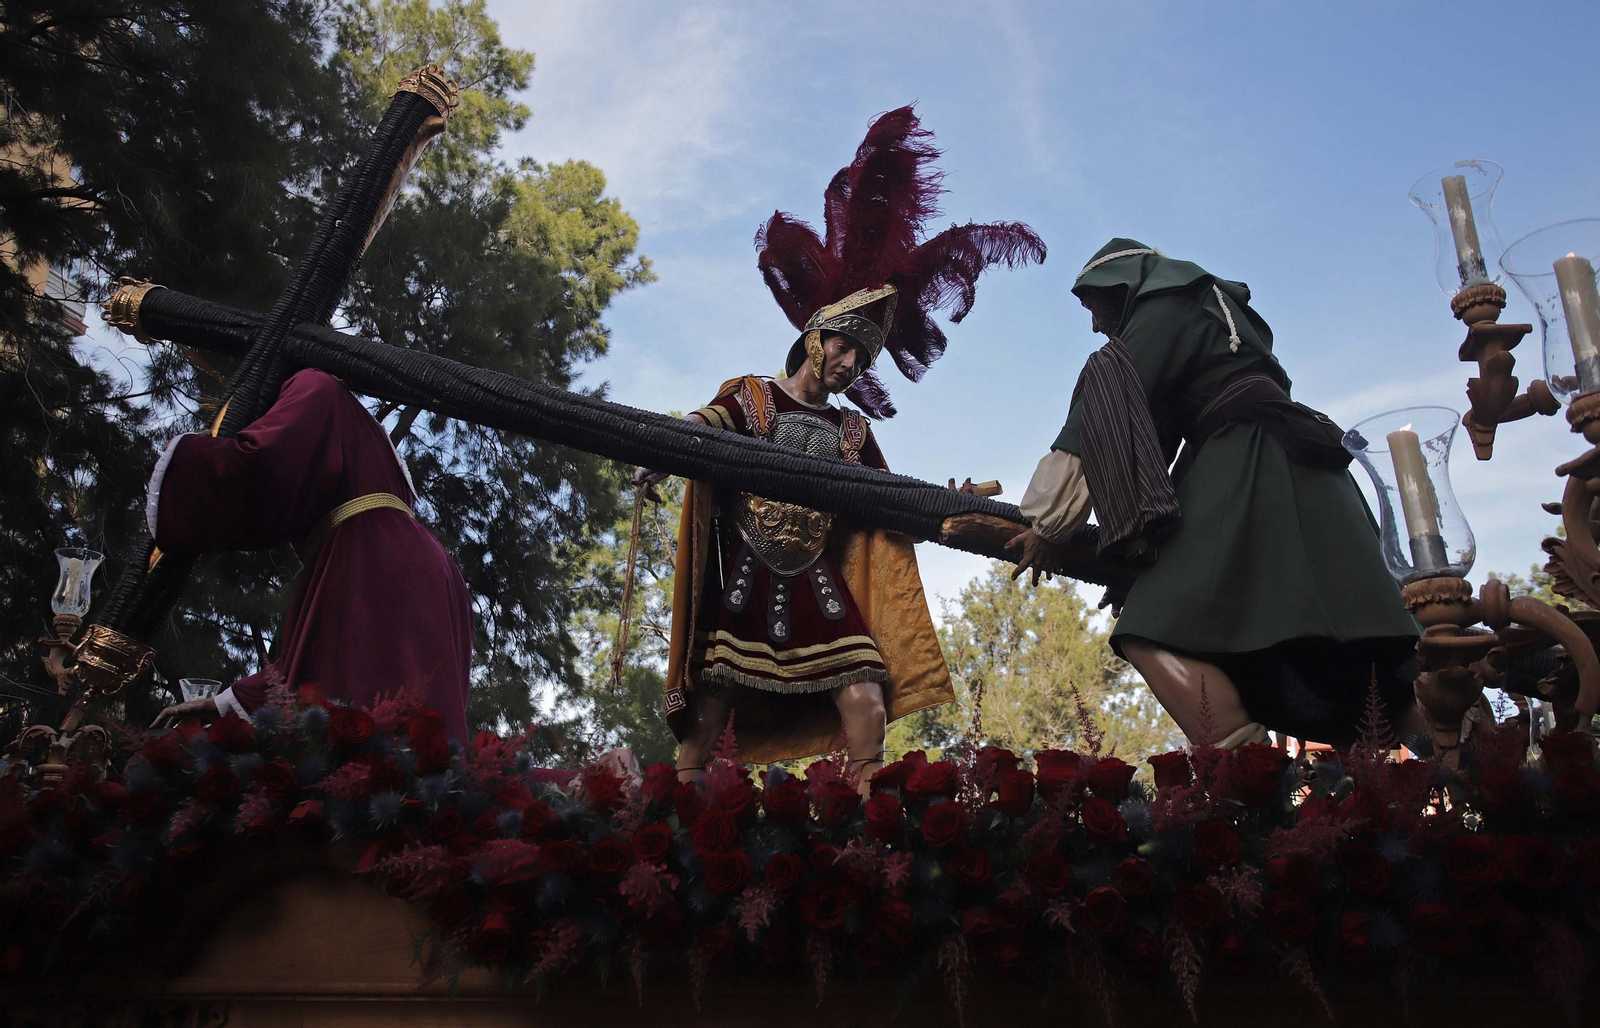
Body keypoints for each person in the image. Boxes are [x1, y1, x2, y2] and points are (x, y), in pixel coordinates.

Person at [641, 106, 1045, 792]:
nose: (853, 363)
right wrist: (659, 448)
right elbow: (702, 427)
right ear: (815, 336)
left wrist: (954, 504)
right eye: (846, 345)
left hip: (819, 589)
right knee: (707, 720)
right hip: (744, 579)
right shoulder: (752, 396)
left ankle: (866, 831)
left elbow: (893, 506)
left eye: (864, 357)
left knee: (866, 701)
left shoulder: (855, 434)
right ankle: (673, 826)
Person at [1009, 240, 1422, 750]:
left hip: (1245, 463)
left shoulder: (1167, 303)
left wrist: (1049, 524)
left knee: (1150, 631)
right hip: (1310, 474)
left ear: (1121, 285)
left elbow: (1102, 407)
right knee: (1375, 657)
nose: (1095, 324)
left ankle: (1253, 797)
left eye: (1091, 304)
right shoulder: (1215, 309)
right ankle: (1473, 761)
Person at [146, 368, 475, 742]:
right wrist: (225, 702)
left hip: (376, 559)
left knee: (372, 737)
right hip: (417, 566)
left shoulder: (312, 384)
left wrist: (190, 457)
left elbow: (259, 461)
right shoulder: (363, 438)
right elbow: (316, 665)